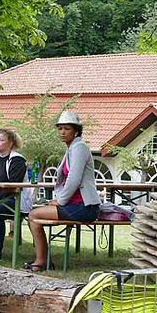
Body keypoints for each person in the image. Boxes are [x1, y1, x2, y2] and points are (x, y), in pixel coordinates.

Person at [25, 112, 101, 272]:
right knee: (34, 213)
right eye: (60, 128)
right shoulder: (72, 148)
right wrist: (58, 199)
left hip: (84, 207)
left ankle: (41, 261)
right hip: (75, 205)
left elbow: (74, 178)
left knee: (33, 215)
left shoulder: (79, 147)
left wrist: (60, 201)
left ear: (76, 131)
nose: (62, 132)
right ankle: (42, 260)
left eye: (67, 128)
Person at [0, 128, 29, 263]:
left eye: (1, 140)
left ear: (11, 143)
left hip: (16, 200)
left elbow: (13, 186)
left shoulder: (17, 160)